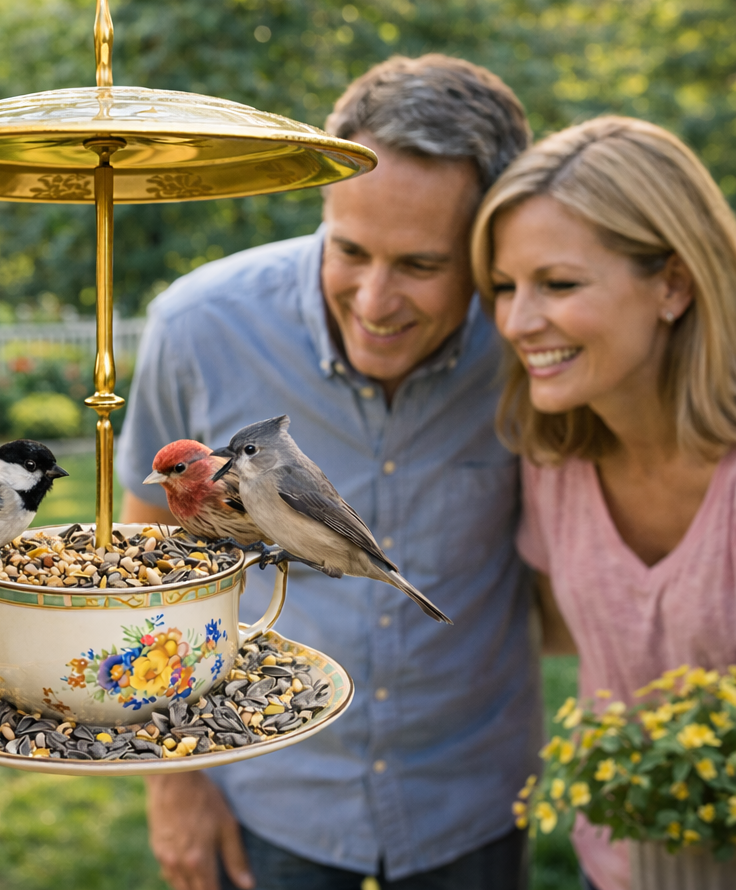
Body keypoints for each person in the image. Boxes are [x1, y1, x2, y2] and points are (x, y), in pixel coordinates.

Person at [117, 54, 542, 890]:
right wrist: (172, 774)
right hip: (268, 797)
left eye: (421, 266)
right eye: (349, 250)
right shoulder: (198, 326)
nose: (376, 302)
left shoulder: (534, 347)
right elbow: (146, 561)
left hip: (475, 807)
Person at [470, 116, 736, 890]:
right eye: (505, 287)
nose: (518, 323)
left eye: (559, 284)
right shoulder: (553, 460)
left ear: (674, 285)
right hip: (617, 868)